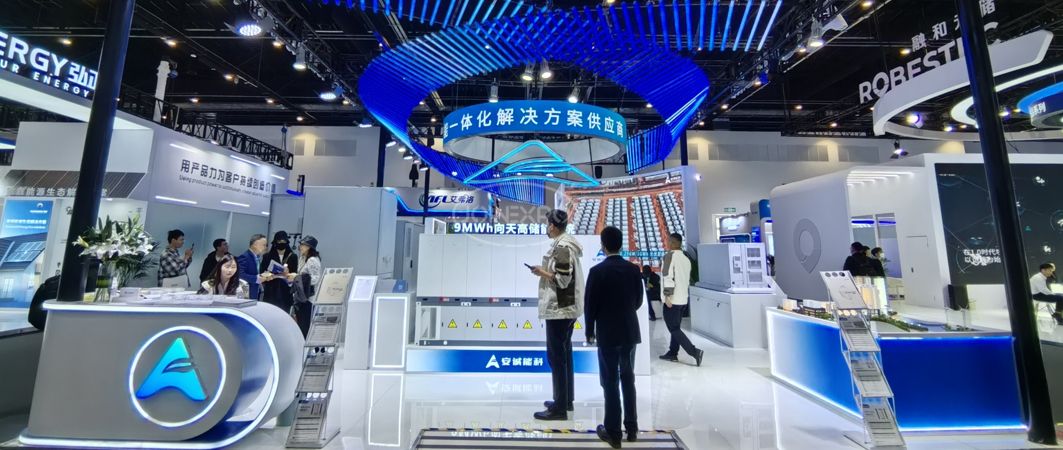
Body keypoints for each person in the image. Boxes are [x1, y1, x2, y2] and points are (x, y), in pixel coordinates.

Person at [585, 226, 643, 448]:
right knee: (628, 380)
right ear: (621, 244)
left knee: (610, 382)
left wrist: (589, 331)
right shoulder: (633, 269)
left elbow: (590, 306)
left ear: (603, 245)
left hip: (608, 333)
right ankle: (632, 428)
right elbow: (638, 301)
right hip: (629, 331)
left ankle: (613, 433)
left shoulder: (597, 271)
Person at [529, 209, 584, 421]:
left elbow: (562, 280)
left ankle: (560, 408)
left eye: (547, 224)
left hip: (560, 309)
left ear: (552, 225)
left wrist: (540, 272)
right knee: (564, 355)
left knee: (557, 358)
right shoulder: (565, 244)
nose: (546, 227)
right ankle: (565, 400)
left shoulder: (562, 247)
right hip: (565, 308)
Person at [659, 232, 704, 366]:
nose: (667, 243)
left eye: (668, 241)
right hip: (683, 299)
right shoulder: (686, 259)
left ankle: (694, 352)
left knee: (674, 329)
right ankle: (673, 352)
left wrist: (667, 296)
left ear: (673, 243)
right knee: (676, 328)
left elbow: (668, 278)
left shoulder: (669, 257)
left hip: (672, 300)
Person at [288, 235, 323, 337]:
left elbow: (315, 279)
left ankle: (305, 344)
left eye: (303, 245)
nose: (300, 247)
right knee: (300, 323)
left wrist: (296, 277)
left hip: (308, 297)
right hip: (301, 295)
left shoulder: (312, 260)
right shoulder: (303, 258)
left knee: (305, 325)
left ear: (309, 247)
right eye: (301, 244)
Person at [259, 231, 299, 313]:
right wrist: (269, 275)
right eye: (279, 241)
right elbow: (262, 272)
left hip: (286, 291)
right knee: (269, 313)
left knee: (285, 314)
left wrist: (288, 274)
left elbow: (295, 274)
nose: (281, 243)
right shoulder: (267, 256)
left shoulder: (293, 256)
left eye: (283, 241)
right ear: (275, 242)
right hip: (271, 290)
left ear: (287, 242)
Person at [237, 234, 268, 300]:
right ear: (255, 244)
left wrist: (263, 276)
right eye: (264, 245)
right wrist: (256, 279)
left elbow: (255, 273)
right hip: (246, 294)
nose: (265, 247)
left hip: (256, 292)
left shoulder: (257, 257)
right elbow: (239, 274)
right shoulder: (245, 257)